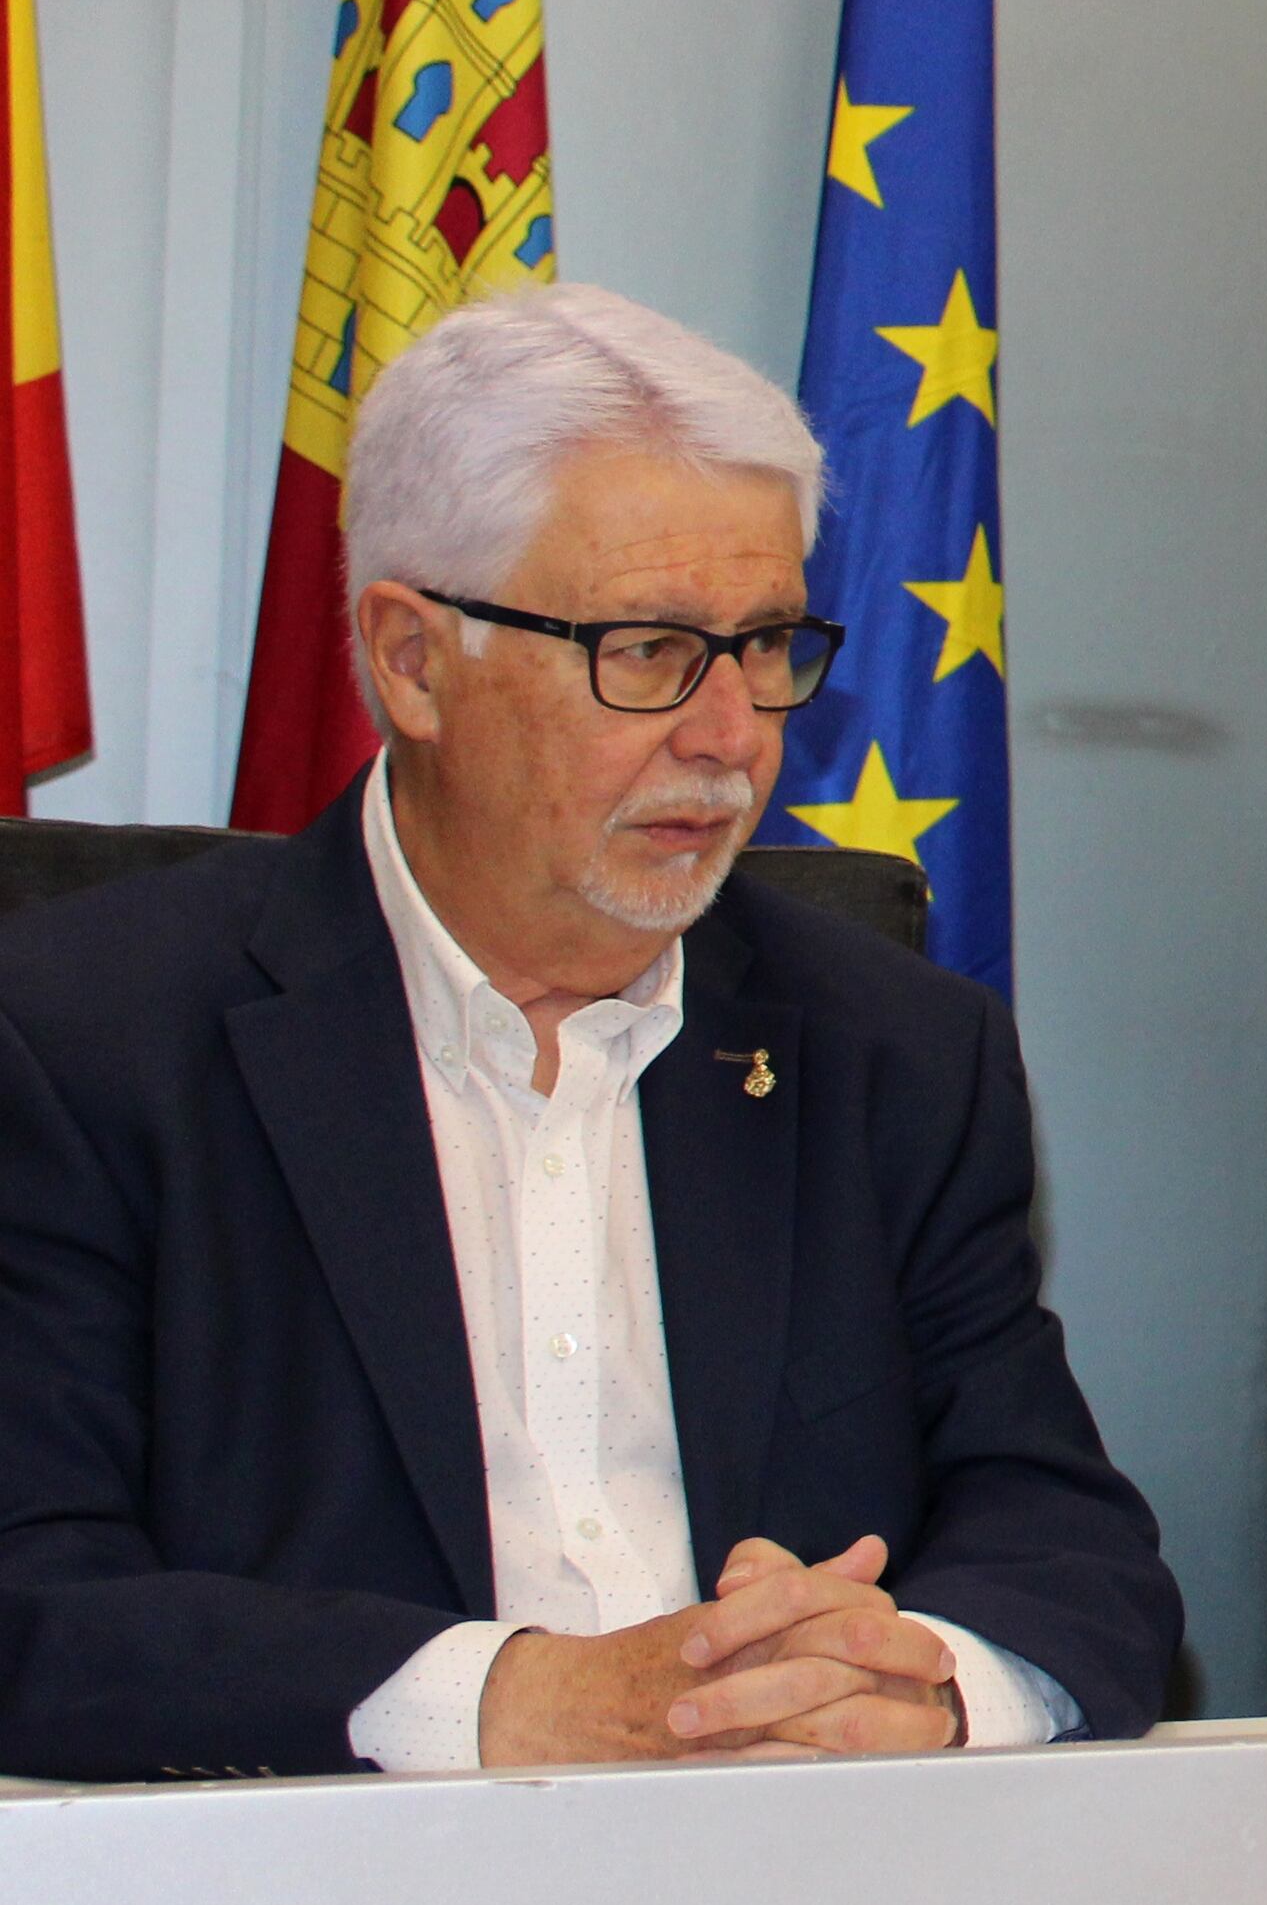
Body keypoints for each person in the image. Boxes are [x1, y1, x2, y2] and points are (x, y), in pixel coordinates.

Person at [0, 287, 1181, 1781]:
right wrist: (508, 1702)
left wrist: (920, 1685)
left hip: (802, 1864)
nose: (732, 733)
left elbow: (1070, 1544)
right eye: (648, 649)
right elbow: (34, 1594)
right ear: (414, 661)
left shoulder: (897, 1053)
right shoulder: (81, 1039)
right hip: (325, 1886)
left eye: (765, 645)